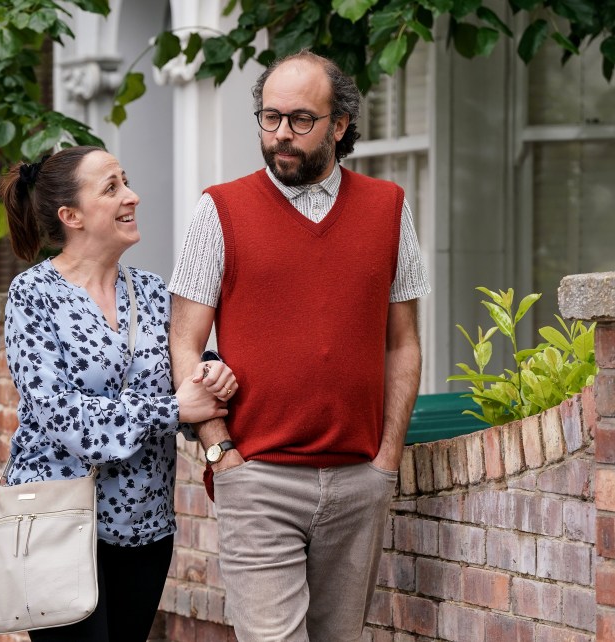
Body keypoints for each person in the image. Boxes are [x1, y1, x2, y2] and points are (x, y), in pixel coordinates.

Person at [168, 50, 431, 641]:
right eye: (269, 117)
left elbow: (403, 344)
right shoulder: (220, 210)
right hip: (256, 478)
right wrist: (219, 453)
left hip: (359, 479)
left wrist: (386, 459)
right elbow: (183, 343)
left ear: (339, 124)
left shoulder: (389, 208)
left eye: (300, 120)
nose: (281, 134)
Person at [0, 146, 237, 642]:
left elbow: (184, 373)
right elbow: (60, 414)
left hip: (146, 523)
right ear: (72, 216)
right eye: (111, 188)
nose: (132, 196)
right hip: (58, 521)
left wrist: (212, 375)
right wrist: (174, 409)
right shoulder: (33, 296)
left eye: (124, 182)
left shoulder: (152, 291)